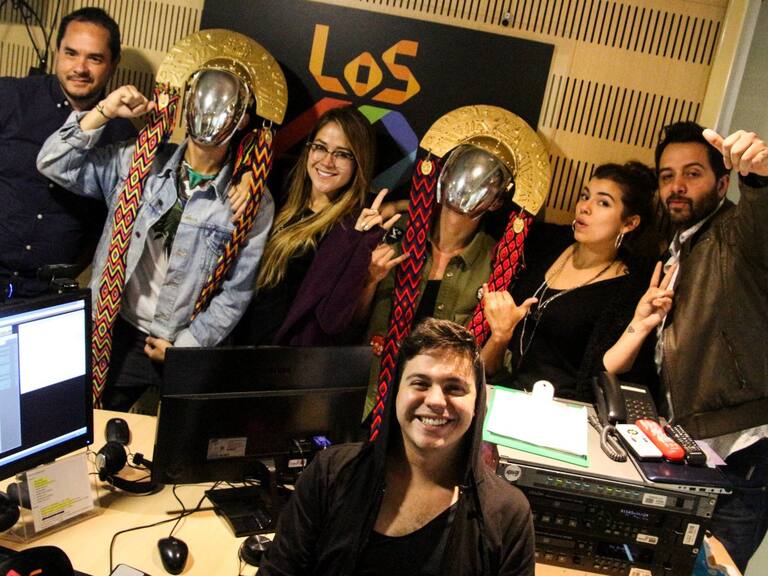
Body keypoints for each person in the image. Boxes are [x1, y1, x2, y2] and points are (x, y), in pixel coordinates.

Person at [37, 65, 275, 410]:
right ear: (185, 105)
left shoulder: (250, 199)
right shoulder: (137, 162)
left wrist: (187, 347)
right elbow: (53, 162)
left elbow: (236, 291)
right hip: (117, 331)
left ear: (242, 121)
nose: (208, 116)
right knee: (95, 426)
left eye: (223, 108)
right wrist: (104, 110)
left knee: (175, 441)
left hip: (184, 344)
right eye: (201, 102)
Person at [259, 318, 535, 575]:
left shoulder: (507, 515)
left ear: (477, 404)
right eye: (420, 383)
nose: (435, 400)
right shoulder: (330, 473)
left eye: (454, 388)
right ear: (395, 394)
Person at [650, 122, 768, 572]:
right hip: (694, 443)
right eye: (667, 176)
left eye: (692, 173)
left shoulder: (736, 232)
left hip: (744, 446)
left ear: (722, 183)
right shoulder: (681, 245)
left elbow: (761, 218)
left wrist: (759, 179)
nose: (677, 186)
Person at [481, 161, 661, 402]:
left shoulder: (626, 288)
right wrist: (500, 335)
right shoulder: (548, 242)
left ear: (629, 223)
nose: (585, 207)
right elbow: (487, 369)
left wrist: (638, 327)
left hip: (564, 407)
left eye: (603, 203)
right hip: (504, 392)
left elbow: (601, 375)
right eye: (585, 196)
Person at [233, 106, 398, 346]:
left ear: (359, 162)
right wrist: (247, 176)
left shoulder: (352, 231)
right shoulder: (279, 192)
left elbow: (343, 323)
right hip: (232, 344)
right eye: (320, 147)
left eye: (342, 154)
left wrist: (367, 279)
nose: (327, 161)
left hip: (284, 358)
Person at [0, 7, 135, 298]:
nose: (80, 68)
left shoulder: (122, 135)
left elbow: (108, 224)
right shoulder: (10, 97)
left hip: (49, 294)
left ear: (113, 63)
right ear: (57, 51)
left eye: (94, 58)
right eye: (71, 53)